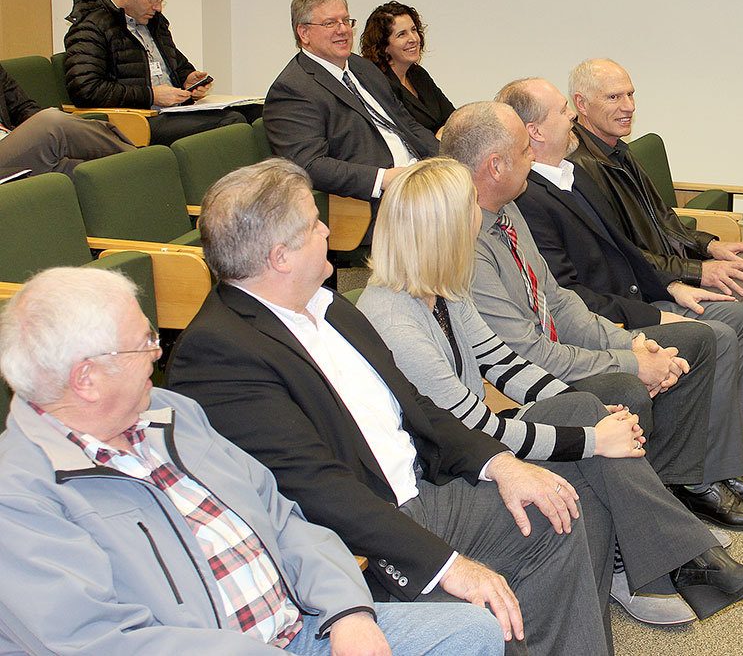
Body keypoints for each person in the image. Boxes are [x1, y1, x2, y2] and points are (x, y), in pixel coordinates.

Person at [166, 158, 607, 655]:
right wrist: (447, 564)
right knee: (483, 613)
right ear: (280, 256)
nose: (328, 229)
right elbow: (312, 488)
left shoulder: (330, 308)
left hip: (420, 491)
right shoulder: (220, 352)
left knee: (556, 505)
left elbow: (418, 408)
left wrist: (500, 464)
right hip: (361, 539)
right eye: (314, 223)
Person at [357, 157, 743, 625]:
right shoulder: (395, 319)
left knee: (584, 406)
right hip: (448, 466)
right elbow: (469, 430)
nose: (478, 220)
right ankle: (686, 562)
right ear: (444, 230)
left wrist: (589, 410)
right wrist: (594, 437)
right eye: (469, 212)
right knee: (590, 431)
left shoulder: (440, 290)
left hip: (473, 439)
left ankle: (679, 563)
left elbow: (503, 363)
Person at [0, 267, 503, 655]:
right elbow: (103, 643)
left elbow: (282, 516)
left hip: (304, 627)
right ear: (86, 378)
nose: (158, 353)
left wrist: (346, 609)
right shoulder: (19, 495)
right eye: (143, 343)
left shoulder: (171, 414)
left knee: (469, 632)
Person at [441, 102, 743, 531]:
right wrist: (632, 362)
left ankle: (685, 480)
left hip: (560, 345)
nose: (532, 158)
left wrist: (629, 344)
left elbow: (559, 300)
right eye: (524, 151)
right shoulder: (467, 240)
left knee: (698, 339)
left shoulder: (507, 210)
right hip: (520, 377)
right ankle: (652, 509)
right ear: (495, 166)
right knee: (626, 386)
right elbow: (526, 353)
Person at [503, 77, 743, 461]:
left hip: (647, 283)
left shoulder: (580, 170)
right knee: (733, 316)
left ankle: (737, 423)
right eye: (566, 111)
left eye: (630, 94)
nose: (628, 105)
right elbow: (570, 296)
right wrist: (668, 294)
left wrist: (696, 261)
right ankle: (718, 448)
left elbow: (639, 238)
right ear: (536, 130)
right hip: (617, 309)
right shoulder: (540, 191)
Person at [263, 0, 438, 219]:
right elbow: (309, 165)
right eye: (330, 23)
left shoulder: (362, 67)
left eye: (346, 20)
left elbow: (406, 123)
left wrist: (449, 156)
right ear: (303, 33)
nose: (343, 30)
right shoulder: (292, 89)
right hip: (373, 203)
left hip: (416, 178)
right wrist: (383, 179)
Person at [63, 0, 246, 146]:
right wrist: (151, 95)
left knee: (255, 113)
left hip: (171, 112)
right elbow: (86, 90)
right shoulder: (91, 28)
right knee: (232, 122)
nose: (158, 7)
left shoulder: (154, 23)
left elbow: (177, 63)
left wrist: (188, 79)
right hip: (138, 120)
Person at [0, 61, 134, 176]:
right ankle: (141, 160)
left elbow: (23, 108)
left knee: (90, 171)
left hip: (11, 146)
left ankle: (143, 171)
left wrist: (35, 137)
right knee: (51, 123)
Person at [359, 1, 456, 134]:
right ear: (384, 46)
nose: (413, 39)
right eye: (402, 34)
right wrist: (440, 135)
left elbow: (452, 117)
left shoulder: (417, 73)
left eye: (414, 30)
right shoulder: (379, 84)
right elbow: (407, 133)